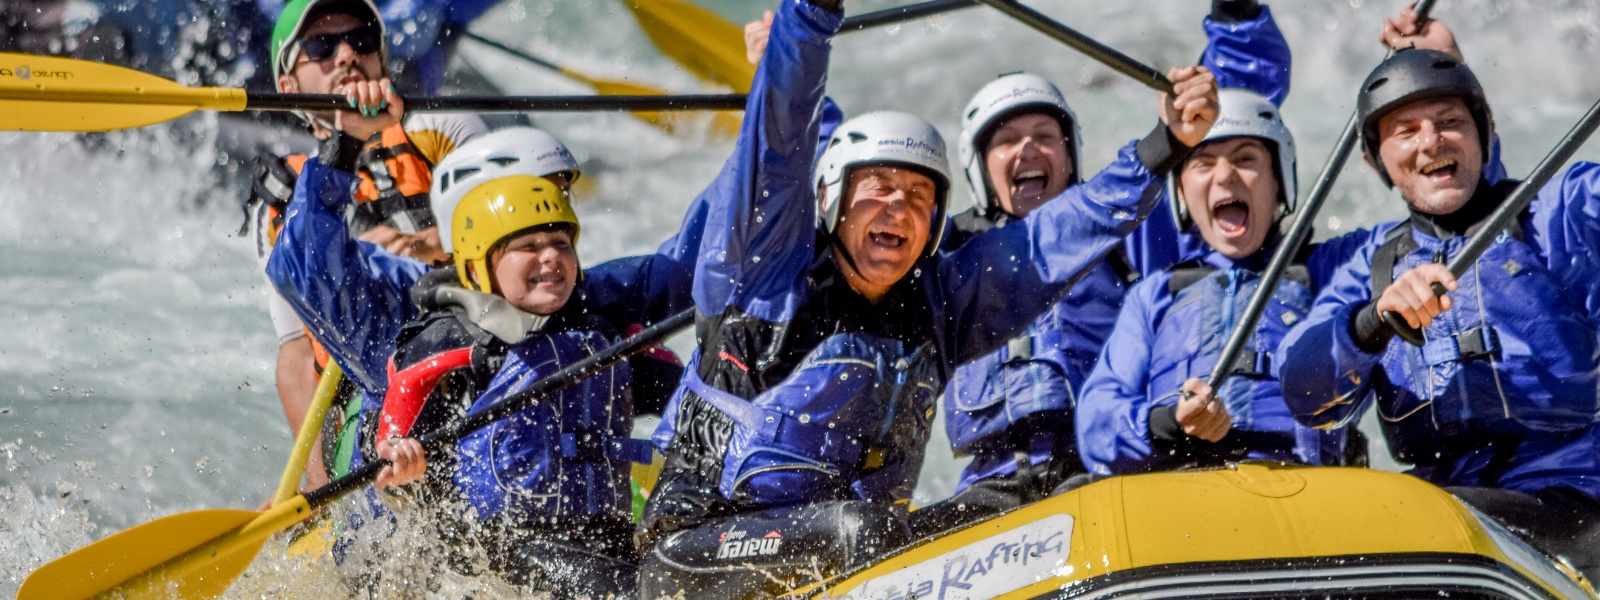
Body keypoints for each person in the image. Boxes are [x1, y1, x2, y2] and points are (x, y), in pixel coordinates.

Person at [633, 0, 1219, 595]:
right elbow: (782, 142)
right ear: (833, 198)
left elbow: (1058, 235)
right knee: (863, 529)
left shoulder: (942, 304)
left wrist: (1166, 143)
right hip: (698, 542)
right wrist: (808, 18)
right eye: (880, 189)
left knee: (1005, 528)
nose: (899, 209)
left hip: (851, 552)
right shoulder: (763, 271)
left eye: (919, 196)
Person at [932, 0, 1289, 526]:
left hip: (1111, 467)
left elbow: (1221, 113)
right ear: (979, 167)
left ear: (1070, 153)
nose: (1028, 148)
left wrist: (1236, 17)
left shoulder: (1129, 228)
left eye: (1045, 136)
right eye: (1007, 140)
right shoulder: (944, 256)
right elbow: (850, 213)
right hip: (991, 481)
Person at [1274, 7, 1600, 579]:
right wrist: (1371, 323)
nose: (1430, 142)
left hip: (1572, 498)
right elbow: (1304, 391)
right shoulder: (1370, 264)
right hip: (1439, 506)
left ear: (1483, 135)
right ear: (1379, 163)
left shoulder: (1557, 211)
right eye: (1405, 131)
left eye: (1449, 121)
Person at [244, 0, 487, 489]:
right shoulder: (282, 195)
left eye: (360, 41)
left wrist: (427, 246)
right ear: (289, 86)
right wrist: (316, 491)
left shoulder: (441, 129)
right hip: (371, 385)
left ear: (380, 60)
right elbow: (296, 356)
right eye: (321, 46)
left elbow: (517, 245)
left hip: (475, 347)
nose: (345, 56)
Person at [1074, 85, 1369, 476]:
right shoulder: (1156, 294)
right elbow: (1097, 422)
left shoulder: (1333, 269)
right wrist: (1166, 423)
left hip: (1301, 480)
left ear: (1279, 181)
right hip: (1179, 481)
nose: (1225, 176)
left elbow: (1434, 233)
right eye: (1203, 163)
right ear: (1181, 190)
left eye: (1246, 159)